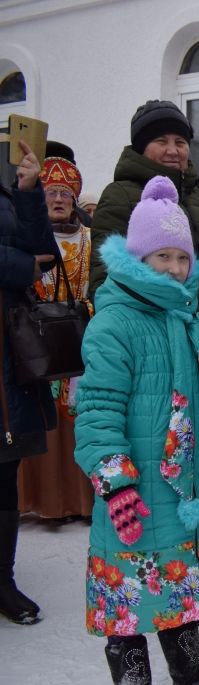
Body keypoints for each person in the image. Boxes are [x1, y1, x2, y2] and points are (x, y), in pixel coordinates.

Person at [74, 176, 199, 685]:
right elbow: (95, 413)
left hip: (187, 491)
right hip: (134, 495)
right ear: (137, 256)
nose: (172, 268)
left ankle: (188, 682)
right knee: (127, 600)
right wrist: (115, 484)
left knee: (180, 590)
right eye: (160, 256)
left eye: (180, 257)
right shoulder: (113, 323)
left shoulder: (196, 326)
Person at [90, 100, 199, 316]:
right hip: (151, 333)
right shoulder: (120, 196)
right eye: (161, 141)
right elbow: (104, 277)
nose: (173, 150)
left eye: (180, 142)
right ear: (142, 147)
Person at [17, 156, 95, 522]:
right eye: (52, 192)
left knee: (78, 417)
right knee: (44, 419)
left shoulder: (89, 238)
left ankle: (81, 501)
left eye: (66, 192)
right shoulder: (27, 236)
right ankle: (46, 502)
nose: (59, 199)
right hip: (38, 337)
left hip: (79, 336)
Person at [0, 140, 59, 625]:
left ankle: (3, 579)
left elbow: (45, 251)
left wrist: (27, 189)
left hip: (8, 343)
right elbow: (28, 262)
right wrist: (20, 266)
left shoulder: (7, 186)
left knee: (5, 462)